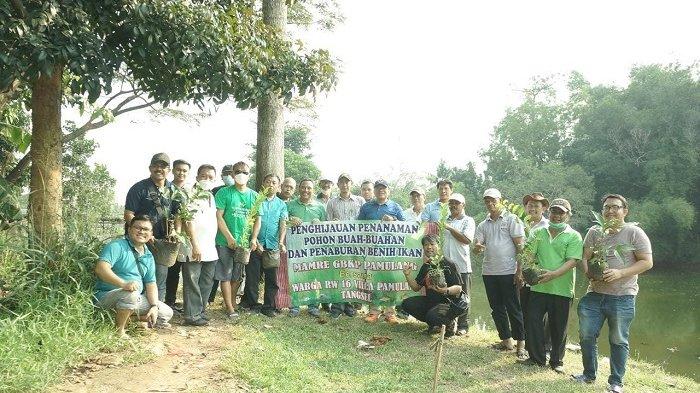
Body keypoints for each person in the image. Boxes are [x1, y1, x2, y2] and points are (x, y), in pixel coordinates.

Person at [572, 194, 653, 393]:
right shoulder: (594, 231)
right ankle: (589, 374)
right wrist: (589, 272)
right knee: (586, 334)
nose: (610, 211)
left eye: (615, 207)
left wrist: (620, 273)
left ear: (625, 211)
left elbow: (647, 262)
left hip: (623, 296)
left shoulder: (634, 232)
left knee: (618, 339)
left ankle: (616, 382)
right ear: (601, 212)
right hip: (595, 294)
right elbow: (584, 257)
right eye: (606, 207)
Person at [518, 198, 582, 373]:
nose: (557, 216)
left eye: (561, 213)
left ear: (568, 215)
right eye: (554, 212)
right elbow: (529, 255)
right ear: (549, 212)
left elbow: (572, 261)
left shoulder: (574, 236)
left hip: (562, 289)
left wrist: (553, 275)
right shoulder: (538, 232)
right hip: (538, 286)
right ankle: (536, 358)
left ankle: (556, 361)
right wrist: (528, 269)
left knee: (558, 326)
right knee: (533, 321)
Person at [94, 215, 173, 338]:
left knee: (166, 313)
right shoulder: (116, 246)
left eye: (146, 229)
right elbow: (101, 269)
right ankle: (119, 331)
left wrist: (153, 306)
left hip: (134, 298)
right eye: (138, 228)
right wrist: (123, 284)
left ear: (151, 233)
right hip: (107, 296)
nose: (142, 231)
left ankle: (125, 320)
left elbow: (151, 284)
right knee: (131, 295)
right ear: (129, 229)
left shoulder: (148, 255)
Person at [473, 188, 526, 357]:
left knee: (514, 307)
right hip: (489, 271)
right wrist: (476, 248)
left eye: (493, 200)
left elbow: (521, 247)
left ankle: (521, 344)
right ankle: (506, 340)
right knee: (496, 308)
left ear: (500, 200)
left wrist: (519, 271)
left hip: (509, 271)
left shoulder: (512, 219)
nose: (490, 203)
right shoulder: (483, 224)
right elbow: (477, 249)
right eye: (487, 201)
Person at [124, 153, 180, 302]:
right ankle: (135, 311)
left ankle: (156, 314)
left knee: (159, 279)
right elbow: (129, 214)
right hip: (139, 242)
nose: (159, 169)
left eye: (163, 166)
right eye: (155, 165)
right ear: (150, 167)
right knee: (136, 276)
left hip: (162, 243)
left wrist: (175, 231)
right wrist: (144, 233)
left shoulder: (174, 190)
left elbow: (178, 215)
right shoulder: (139, 188)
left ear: (169, 170)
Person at [214, 161, 259, 319]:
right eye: (238, 171)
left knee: (237, 276)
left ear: (249, 175)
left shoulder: (254, 196)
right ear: (232, 175)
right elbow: (218, 216)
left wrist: (253, 239)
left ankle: (231, 302)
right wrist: (229, 237)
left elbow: (257, 219)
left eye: (245, 172)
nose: (241, 174)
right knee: (225, 274)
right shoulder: (223, 193)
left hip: (244, 244)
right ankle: (229, 308)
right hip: (224, 241)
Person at [358, 179, 405, 324]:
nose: (381, 190)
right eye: (378, 188)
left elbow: (406, 228)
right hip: (372, 251)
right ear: (374, 191)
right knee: (374, 281)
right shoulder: (366, 207)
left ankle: (390, 312)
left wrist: (394, 221)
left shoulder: (395, 207)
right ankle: (374, 311)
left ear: (388, 190)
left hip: (391, 252)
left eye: (383, 188)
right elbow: (357, 227)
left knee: (391, 281)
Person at [401, 234, 465, 338]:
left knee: (432, 315)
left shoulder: (449, 263)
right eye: (426, 245)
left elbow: (458, 288)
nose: (429, 247)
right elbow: (416, 287)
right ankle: (435, 324)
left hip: (448, 304)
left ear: (438, 245)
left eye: (432, 244)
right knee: (407, 304)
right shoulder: (427, 266)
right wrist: (407, 275)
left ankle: (450, 324)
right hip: (431, 301)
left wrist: (445, 290)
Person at [244, 174, 288, 317]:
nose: (270, 184)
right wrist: (254, 240)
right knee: (252, 276)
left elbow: (283, 224)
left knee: (272, 278)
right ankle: (253, 304)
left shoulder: (281, 204)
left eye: (274, 182)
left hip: (272, 246)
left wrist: (281, 242)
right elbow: (250, 221)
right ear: (263, 184)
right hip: (255, 245)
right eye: (268, 181)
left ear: (278, 187)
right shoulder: (256, 200)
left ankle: (269, 306)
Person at [181, 164, 218, 326]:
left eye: (210, 177)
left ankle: (200, 311)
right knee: (192, 281)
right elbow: (187, 220)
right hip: (194, 246)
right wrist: (195, 245)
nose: (207, 179)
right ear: (197, 177)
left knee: (206, 281)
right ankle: (191, 315)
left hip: (210, 246)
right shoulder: (190, 194)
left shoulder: (211, 196)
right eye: (203, 176)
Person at [326, 173, 365, 319]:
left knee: (352, 274)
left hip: (356, 245)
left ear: (351, 183)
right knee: (338, 274)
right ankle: (337, 306)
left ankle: (348, 305)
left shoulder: (360, 201)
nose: (344, 185)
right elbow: (327, 224)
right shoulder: (332, 202)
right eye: (341, 182)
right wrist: (333, 224)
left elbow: (365, 222)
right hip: (338, 244)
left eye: (347, 182)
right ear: (338, 184)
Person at [286, 178, 327, 317]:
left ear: (313, 190)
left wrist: (319, 223)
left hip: (314, 248)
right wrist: (290, 220)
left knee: (312, 277)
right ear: (299, 188)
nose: (306, 190)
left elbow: (327, 229)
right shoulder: (290, 205)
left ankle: (313, 305)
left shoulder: (320, 207)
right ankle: (295, 305)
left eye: (309, 188)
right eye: (303, 187)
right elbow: (282, 222)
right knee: (296, 276)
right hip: (295, 248)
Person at [520, 192, 551, 354]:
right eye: (529, 205)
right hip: (523, 277)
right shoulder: (521, 225)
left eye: (536, 205)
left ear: (544, 208)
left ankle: (544, 347)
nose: (532, 208)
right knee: (526, 311)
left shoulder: (547, 227)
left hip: (540, 277)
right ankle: (529, 347)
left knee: (541, 316)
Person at [442, 193, 475, 336]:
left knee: (464, 296)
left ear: (463, 205)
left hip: (462, 265)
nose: (453, 205)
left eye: (457, 203)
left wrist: (449, 228)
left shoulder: (468, 220)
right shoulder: (444, 220)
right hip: (445, 266)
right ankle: (449, 324)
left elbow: (466, 239)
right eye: (451, 203)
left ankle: (463, 325)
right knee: (446, 294)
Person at [166, 158, 192, 312]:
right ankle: (168, 302)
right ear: (173, 170)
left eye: (184, 171)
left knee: (185, 270)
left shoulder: (191, 192)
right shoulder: (166, 189)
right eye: (178, 169)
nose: (181, 173)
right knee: (171, 269)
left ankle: (180, 302)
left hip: (187, 237)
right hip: (170, 236)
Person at [208, 164, 235, 305]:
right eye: (226, 173)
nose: (229, 176)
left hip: (235, 238)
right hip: (218, 236)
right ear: (222, 176)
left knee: (232, 273)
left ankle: (230, 301)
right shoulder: (216, 191)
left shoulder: (241, 192)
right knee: (216, 269)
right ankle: (210, 298)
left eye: (231, 173)